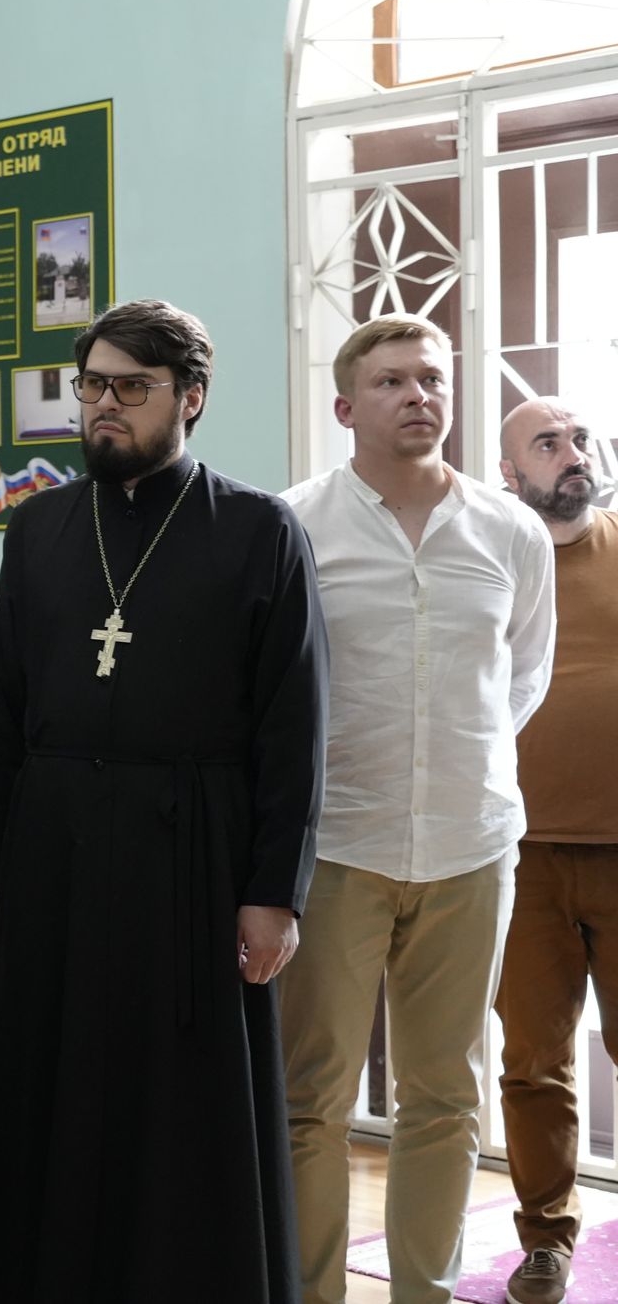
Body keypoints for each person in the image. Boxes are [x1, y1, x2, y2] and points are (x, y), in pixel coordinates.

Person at [0, 299, 328, 1301]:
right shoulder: (37, 527)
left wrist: (273, 891)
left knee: (184, 1112)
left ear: (191, 398)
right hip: (54, 852)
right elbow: (2, 710)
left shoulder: (258, 529)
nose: (104, 405)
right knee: (54, 1095)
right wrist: (2, 868)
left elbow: (293, 728)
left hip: (195, 857)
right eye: (91, 384)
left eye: (131, 387)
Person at [279, 314, 555, 1304]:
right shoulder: (292, 525)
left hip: (469, 844)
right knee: (309, 1099)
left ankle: (422, 1294)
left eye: (432, 379)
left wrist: (454, 768)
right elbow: (272, 688)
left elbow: (521, 675)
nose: (417, 396)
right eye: (392, 381)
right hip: (337, 844)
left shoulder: (510, 529)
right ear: (346, 406)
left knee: (445, 1097)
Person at [485, 398, 612, 1304]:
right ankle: (546, 1242)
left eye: (581, 439)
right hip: (519, 857)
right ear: (510, 473)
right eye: (548, 443)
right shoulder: (491, 557)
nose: (573, 453)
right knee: (534, 1064)